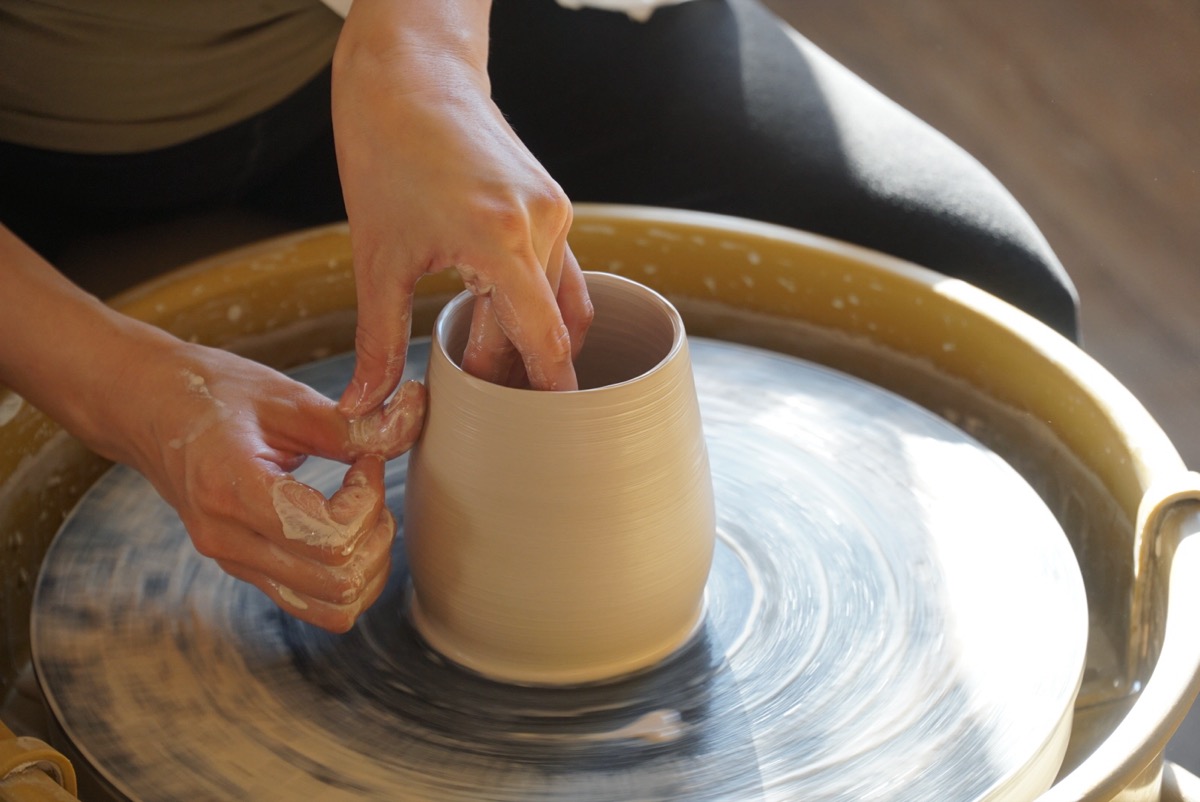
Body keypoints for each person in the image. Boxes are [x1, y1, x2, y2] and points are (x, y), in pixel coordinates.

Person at [0, 0, 1079, 632]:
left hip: (396, 38)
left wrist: (422, 57)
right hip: (37, 142)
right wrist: (128, 391)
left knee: (982, 290)